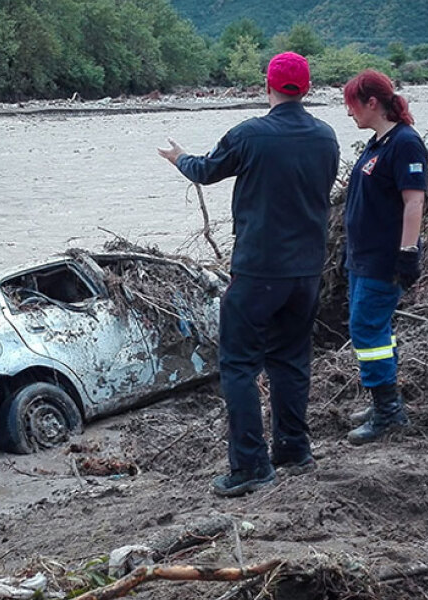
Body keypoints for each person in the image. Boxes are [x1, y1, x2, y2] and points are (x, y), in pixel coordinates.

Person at [157, 52, 340, 496]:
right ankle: (294, 449)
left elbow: (206, 171)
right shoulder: (326, 137)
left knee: (237, 365)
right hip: (307, 270)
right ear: (309, 89)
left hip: (259, 269)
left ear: (267, 86)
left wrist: (179, 157)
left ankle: (251, 465)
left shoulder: (250, 134)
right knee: (291, 360)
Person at [341, 69, 428, 445]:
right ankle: (384, 400)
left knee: (367, 330)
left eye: (352, 106)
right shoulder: (378, 142)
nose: (349, 114)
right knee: (376, 331)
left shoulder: (406, 143)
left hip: (384, 258)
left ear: (372, 103)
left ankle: (388, 411)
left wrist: (407, 253)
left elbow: (414, 202)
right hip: (362, 257)